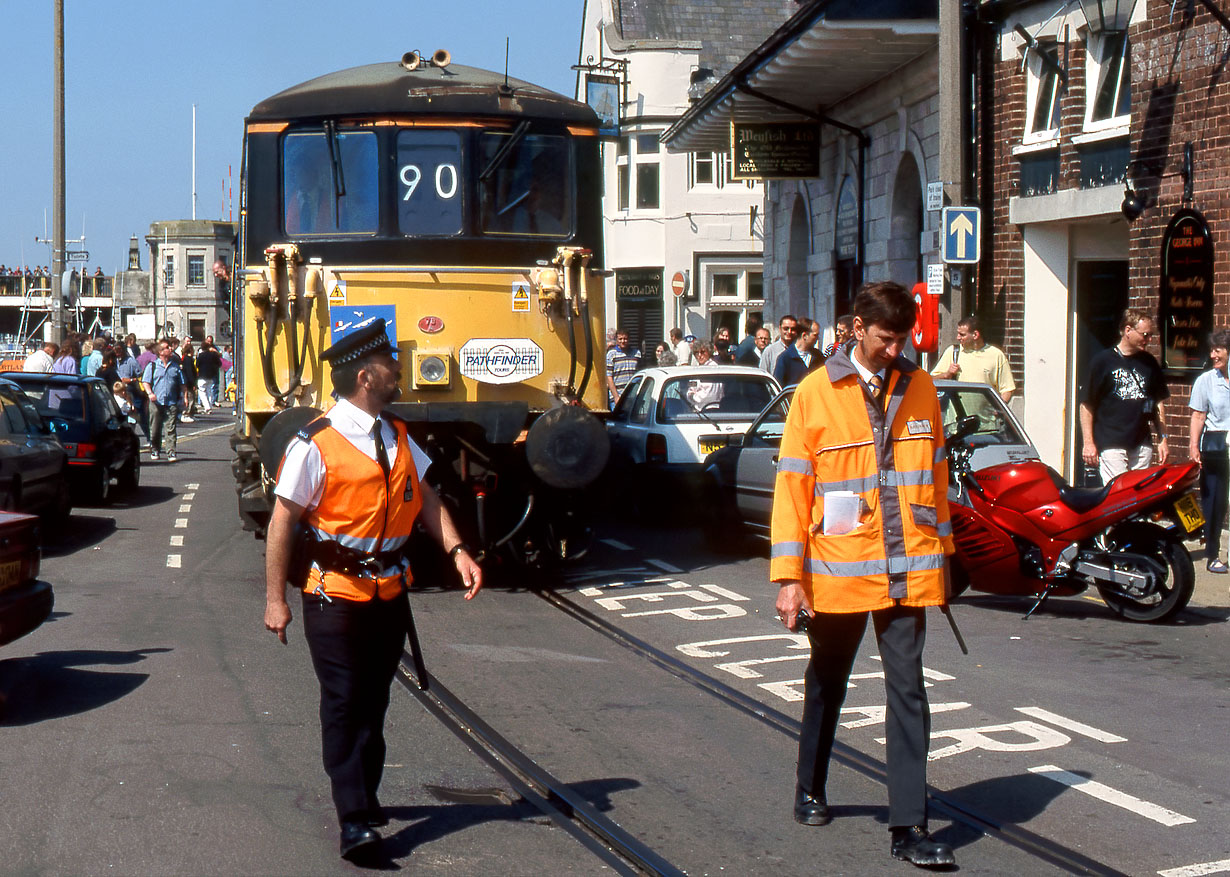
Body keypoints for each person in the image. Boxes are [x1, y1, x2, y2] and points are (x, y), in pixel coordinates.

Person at [263, 318, 483, 863]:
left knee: (376, 703)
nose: (400, 371)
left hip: (389, 593)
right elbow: (282, 521)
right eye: (392, 364)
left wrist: (457, 550)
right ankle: (355, 820)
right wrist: (275, 600)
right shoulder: (315, 442)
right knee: (345, 702)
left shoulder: (398, 434)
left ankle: (365, 794)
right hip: (332, 593)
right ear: (366, 376)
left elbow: (427, 499)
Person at [772, 281, 956, 869]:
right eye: (885, 338)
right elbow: (793, 489)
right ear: (856, 327)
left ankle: (909, 827)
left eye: (903, 338)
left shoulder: (922, 387)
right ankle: (810, 785)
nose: (895, 348)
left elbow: (937, 476)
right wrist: (788, 578)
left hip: (908, 574)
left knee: (909, 690)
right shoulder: (814, 393)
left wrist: (948, 558)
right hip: (839, 572)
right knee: (828, 680)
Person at [1080, 308, 1170, 484]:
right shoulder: (1102, 361)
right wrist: (1089, 442)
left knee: (1140, 494)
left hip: (1141, 442)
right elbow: (1087, 404)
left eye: (1150, 335)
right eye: (1145, 334)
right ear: (1128, 330)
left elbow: (1158, 402)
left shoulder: (1149, 362)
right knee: (1118, 493)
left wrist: (1163, 439)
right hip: (1111, 441)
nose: (1148, 340)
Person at [1189, 329, 1230, 574]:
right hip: (1216, 446)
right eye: (1212, 350)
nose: (1213, 355)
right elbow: (1198, 415)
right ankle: (1212, 555)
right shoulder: (1205, 380)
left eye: (1218, 350)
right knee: (1214, 501)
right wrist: (1194, 445)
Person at [929, 315, 1016, 402]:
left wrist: (998, 411)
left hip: (985, 415)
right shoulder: (953, 352)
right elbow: (931, 380)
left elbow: (1007, 389)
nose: (958, 337)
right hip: (957, 414)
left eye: (962, 335)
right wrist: (946, 374)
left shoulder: (996, 355)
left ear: (975, 335)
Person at [142, 340, 184, 462]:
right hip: (156, 402)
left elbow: (182, 383)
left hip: (171, 401)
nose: (170, 349)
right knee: (155, 428)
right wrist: (150, 393)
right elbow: (146, 382)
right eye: (166, 347)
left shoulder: (175, 367)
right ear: (160, 352)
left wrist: (184, 397)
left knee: (170, 428)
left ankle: (171, 452)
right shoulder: (153, 366)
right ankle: (155, 449)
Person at [774, 317, 825, 386]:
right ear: (804, 335)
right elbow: (778, 386)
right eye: (815, 335)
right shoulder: (785, 358)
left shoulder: (818, 356)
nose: (818, 338)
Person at [605, 329, 640, 409]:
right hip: (618, 397)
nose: (623, 341)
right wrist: (616, 396)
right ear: (616, 340)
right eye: (620, 339)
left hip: (633, 397)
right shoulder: (611, 354)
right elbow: (609, 377)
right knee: (616, 421)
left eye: (625, 339)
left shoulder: (637, 354)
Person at [685, 340, 723, 410]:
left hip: (711, 410)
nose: (699, 355)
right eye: (696, 353)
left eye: (702, 352)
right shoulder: (697, 369)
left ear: (708, 352)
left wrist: (693, 396)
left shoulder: (712, 368)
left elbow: (709, 395)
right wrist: (690, 395)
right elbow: (690, 388)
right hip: (697, 411)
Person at [196, 342, 222, 411]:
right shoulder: (213, 355)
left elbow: (197, 364)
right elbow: (219, 363)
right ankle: (210, 405)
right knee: (209, 390)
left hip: (202, 375)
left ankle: (207, 406)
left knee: (202, 391)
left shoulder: (201, 355)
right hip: (211, 375)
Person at [180, 341, 198, 422]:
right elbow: (189, 372)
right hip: (189, 382)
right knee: (190, 398)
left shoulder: (185, 359)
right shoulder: (188, 359)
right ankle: (187, 413)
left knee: (191, 398)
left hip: (188, 381)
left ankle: (190, 413)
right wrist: (193, 382)